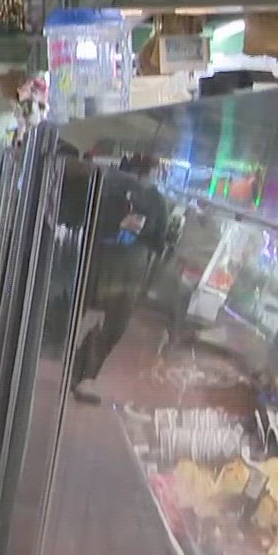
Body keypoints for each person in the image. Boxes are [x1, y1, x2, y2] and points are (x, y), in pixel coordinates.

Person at [69, 154, 169, 404]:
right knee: (102, 322)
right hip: (109, 265)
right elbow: (88, 219)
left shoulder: (154, 199)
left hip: (122, 268)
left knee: (111, 325)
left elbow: (159, 239)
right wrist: (120, 224)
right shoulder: (114, 188)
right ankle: (79, 369)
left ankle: (83, 372)